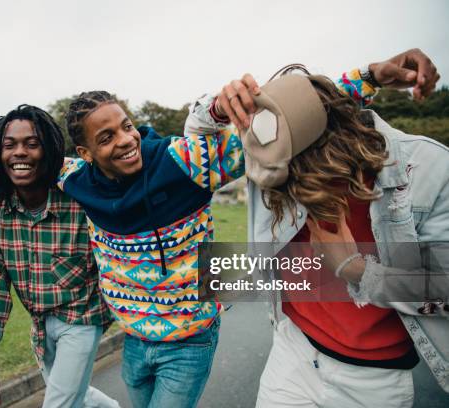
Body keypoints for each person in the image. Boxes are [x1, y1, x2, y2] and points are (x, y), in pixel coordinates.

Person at [0, 49, 439, 408]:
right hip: (136, 340)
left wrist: (371, 77)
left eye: (127, 126)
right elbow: (32, 164)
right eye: (107, 137)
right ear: (85, 153)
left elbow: (289, 112)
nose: (126, 141)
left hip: (190, 340)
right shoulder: (76, 179)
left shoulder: (183, 162)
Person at [185, 53, 447, 407]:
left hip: (372, 377)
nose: (286, 195)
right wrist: (219, 106)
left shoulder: (429, 171)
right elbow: (196, 140)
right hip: (293, 351)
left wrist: (357, 270)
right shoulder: (271, 151)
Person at [0, 105, 117, 408]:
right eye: (9, 145)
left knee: (59, 403)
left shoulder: (80, 190)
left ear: (50, 151)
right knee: (79, 395)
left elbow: (107, 162)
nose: (20, 152)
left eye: (32, 144)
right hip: (41, 325)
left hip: (85, 316)